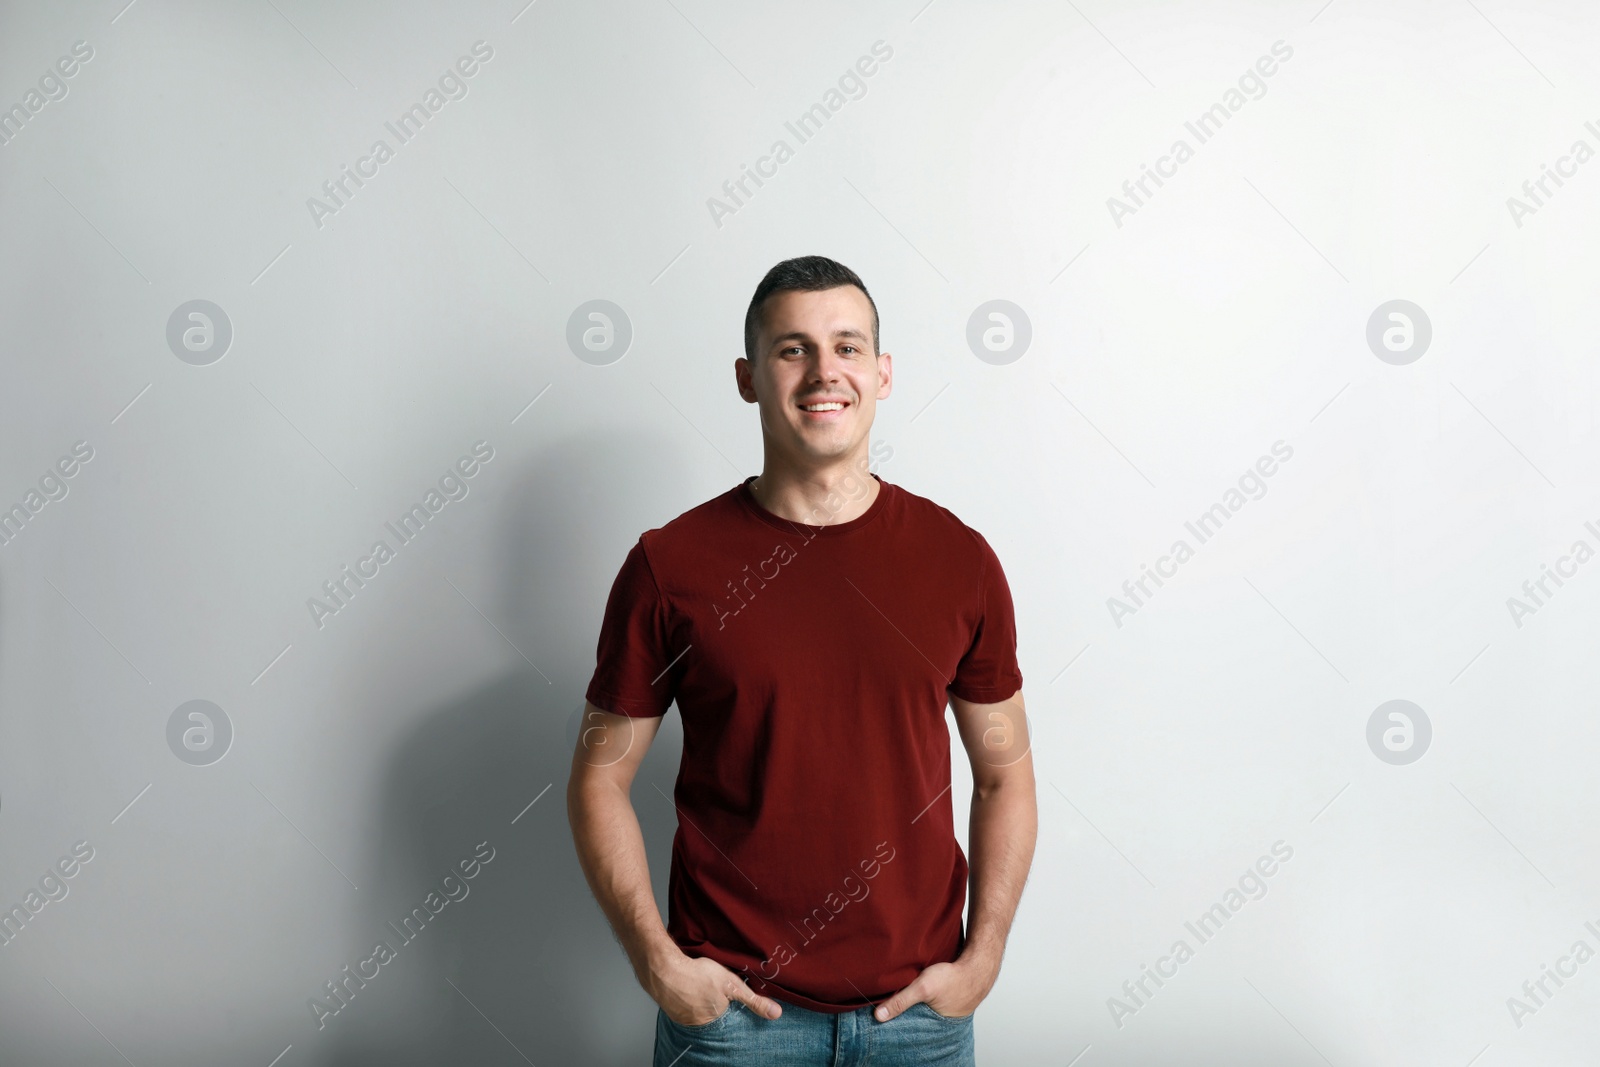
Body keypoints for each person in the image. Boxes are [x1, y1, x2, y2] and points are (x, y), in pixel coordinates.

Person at [568, 255, 1036, 1066]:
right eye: (793, 349)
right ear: (749, 377)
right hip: (736, 1022)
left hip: (917, 1023)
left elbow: (1005, 775)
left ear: (882, 374)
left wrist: (983, 956)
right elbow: (598, 777)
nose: (825, 371)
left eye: (848, 347)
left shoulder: (959, 560)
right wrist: (658, 963)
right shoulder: (669, 565)